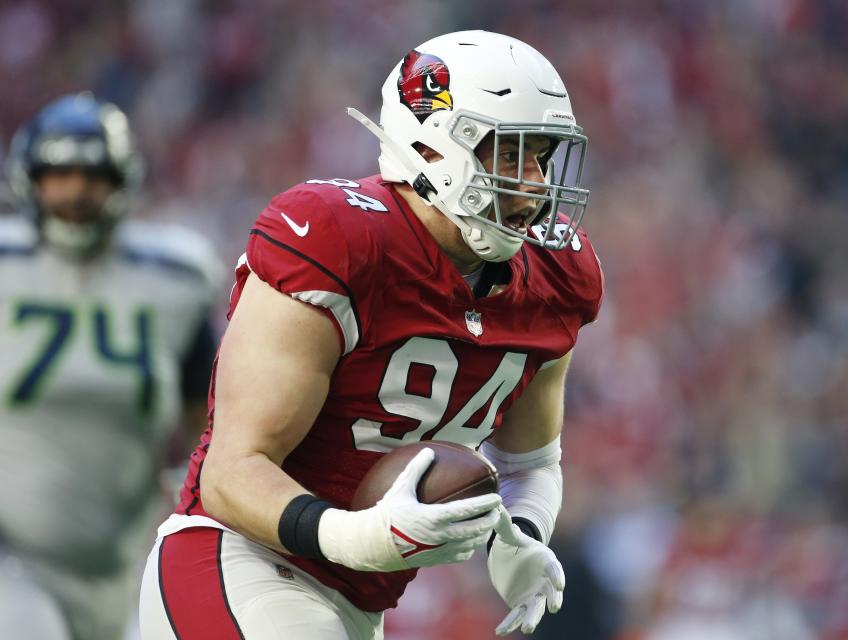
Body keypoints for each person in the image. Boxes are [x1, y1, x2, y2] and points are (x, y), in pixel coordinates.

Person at [140, 30, 603, 639]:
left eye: (542, 157)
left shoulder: (555, 275)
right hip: (236, 560)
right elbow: (230, 472)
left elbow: (532, 462)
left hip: (355, 605)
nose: (536, 184)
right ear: (435, 147)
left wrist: (521, 538)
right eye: (510, 155)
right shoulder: (339, 239)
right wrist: (354, 536)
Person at [0, 93, 222, 640]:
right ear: (28, 180)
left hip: (109, 563)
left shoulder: (175, 281)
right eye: (59, 175)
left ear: (123, 180)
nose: (76, 193)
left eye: (92, 176)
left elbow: (210, 423)